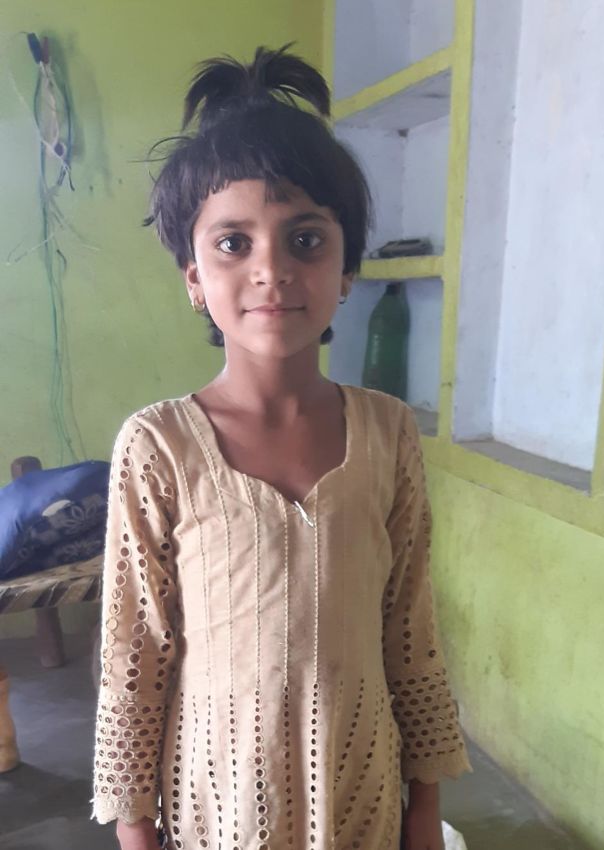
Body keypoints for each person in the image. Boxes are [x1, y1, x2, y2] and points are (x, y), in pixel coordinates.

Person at [91, 44, 471, 850]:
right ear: (193, 277)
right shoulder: (159, 446)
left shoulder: (388, 433)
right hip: (218, 807)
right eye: (234, 243)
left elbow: (409, 631)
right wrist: (134, 828)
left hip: (362, 795)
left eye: (305, 239)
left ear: (347, 270)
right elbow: (135, 655)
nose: (272, 270)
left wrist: (425, 806)